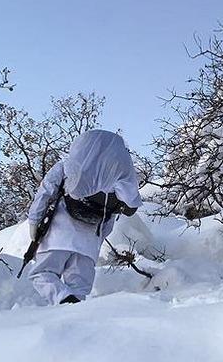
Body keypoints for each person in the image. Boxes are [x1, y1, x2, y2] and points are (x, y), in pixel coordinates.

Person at [27, 129, 142, 305]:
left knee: (42, 274)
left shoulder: (67, 166)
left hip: (58, 237)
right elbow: (111, 216)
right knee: (79, 290)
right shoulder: (116, 181)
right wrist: (97, 240)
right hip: (88, 245)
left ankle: (63, 299)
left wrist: (34, 222)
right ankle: (74, 319)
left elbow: (45, 192)